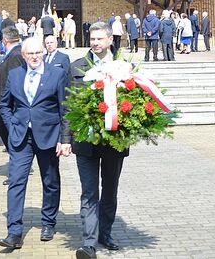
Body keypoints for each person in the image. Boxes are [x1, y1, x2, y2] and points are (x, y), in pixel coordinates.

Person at [0, 37, 71, 249]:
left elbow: (64, 109)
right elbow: (4, 105)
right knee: (16, 182)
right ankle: (14, 232)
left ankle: (48, 222)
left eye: (38, 52)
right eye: (30, 53)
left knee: (50, 181)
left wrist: (63, 138)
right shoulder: (14, 74)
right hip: (21, 137)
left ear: (43, 52)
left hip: (48, 136)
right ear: (24, 55)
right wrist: (13, 126)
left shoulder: (56, 74)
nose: (35, 57)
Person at [69, 21, 127, 258]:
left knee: (110, 189)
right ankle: (89, 242)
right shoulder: (77, 67)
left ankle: (106, 232)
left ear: (110, 39)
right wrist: (65, 139)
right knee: (89, 191)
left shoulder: (124, 67)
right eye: (92, 39)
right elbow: (68, 106)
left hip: (114, 141)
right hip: (85, 141)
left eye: (99, 39)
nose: (95, 43)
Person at [0, 26, 24, 152]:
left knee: (14, 147)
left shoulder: (16, 55)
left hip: (8, 109)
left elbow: (15, 84)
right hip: (4, 107)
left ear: (4, 40)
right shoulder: (11, 54)